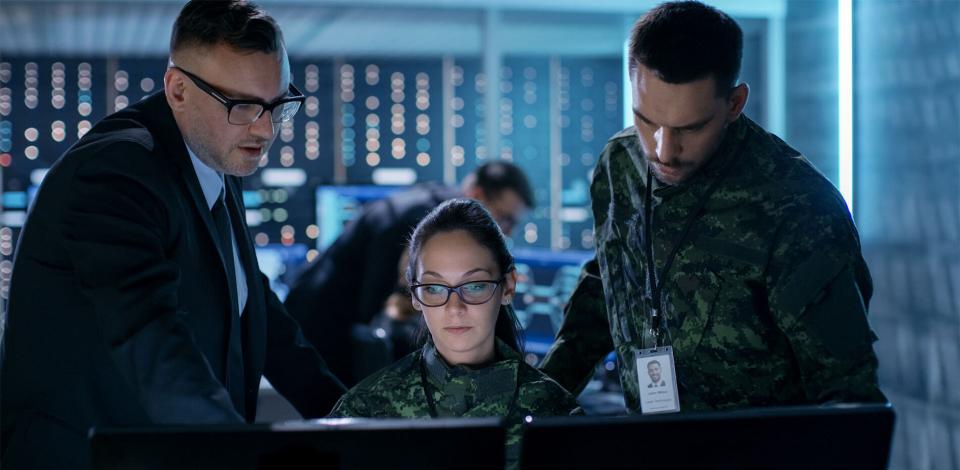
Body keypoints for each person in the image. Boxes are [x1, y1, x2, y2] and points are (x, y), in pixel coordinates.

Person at [0, 2, 345, 468]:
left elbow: (255, 310)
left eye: (278, 104)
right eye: (242, 105)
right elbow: (151, 339)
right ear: (178, 90)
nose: (265, 129)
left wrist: (355, 422)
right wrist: (238, 455)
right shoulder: (115, 173)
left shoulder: (217, 154)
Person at [540, 1, 886, 413]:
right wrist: (535, 409)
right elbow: (606, 287)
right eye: (646, 121)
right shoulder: (619, 165)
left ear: (735, 103)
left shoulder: (798, 208)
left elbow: (847, 395)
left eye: (690, 128)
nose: (663, 150)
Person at [329, 199, 580, 469]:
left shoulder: (554, 414)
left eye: (474, 286)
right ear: (414, 294)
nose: (454, 308)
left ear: (508, 287)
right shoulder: (366, 412)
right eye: (435, 288)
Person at [284, 161, 534, 386]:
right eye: (505, 218)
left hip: (318, 323)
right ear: (478, 195)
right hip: (315, 331)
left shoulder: (431, 205)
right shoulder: (425, 223)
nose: (507, 232)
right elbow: (372, 306)